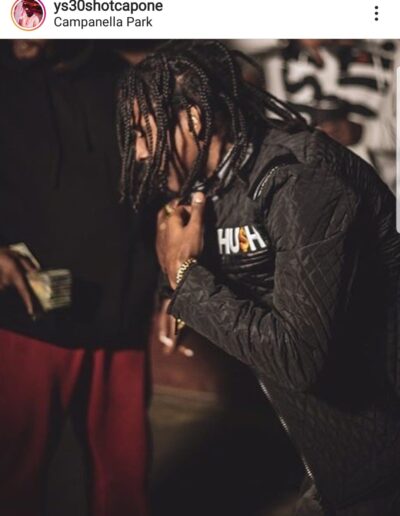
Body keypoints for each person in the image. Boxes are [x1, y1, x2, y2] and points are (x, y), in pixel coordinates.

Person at [117, 40, 400, 515]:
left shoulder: (299, 181)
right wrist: (177, 288)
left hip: (382, 466)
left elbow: (298, 358)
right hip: (330, 462)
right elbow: (248, 266)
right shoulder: (218, 182)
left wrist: (184, 278)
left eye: (145, 132)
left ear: (193, 119)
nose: (141, 152)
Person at [0, 40, 157, 516]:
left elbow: (165, 181)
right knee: (13, 476)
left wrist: (175, 282)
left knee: (124, 481)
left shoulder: (130, 81)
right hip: (22, 314)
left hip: (120, 310)